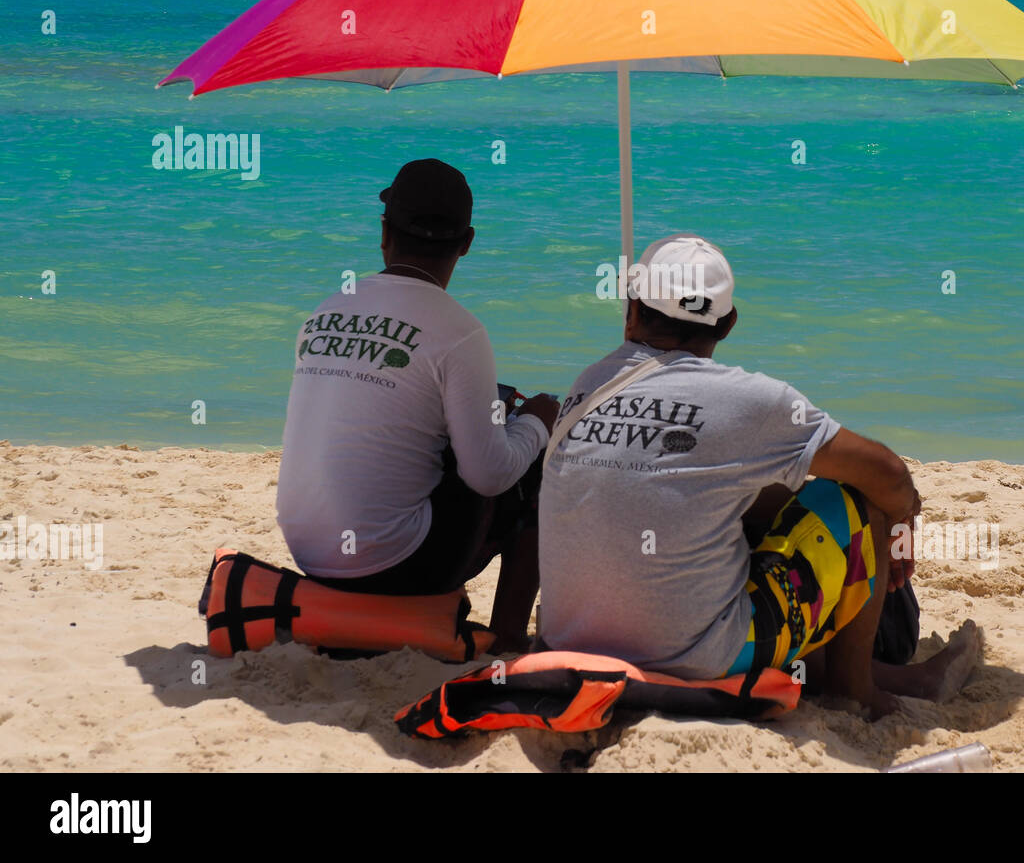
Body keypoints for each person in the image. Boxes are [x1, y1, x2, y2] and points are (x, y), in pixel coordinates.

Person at [537, 234, 980, 718]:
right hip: (698, 660)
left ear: (632, 309)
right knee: (860, 498)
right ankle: (858, 691)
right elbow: (889, 474)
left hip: (567, 641)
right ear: (727, 324)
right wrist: (899, 525)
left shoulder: (589, 385)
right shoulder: (748, 400)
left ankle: (858, 672)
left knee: (755, 496)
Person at [275, 159, 559, 652]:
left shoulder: (325, 308)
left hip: (310, 553)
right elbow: (488, 477)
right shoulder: (460, 330)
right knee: (530, 456)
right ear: (466, 244)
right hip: (396, 566)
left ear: (384, 234)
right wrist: (538, 420)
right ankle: (508, 639)